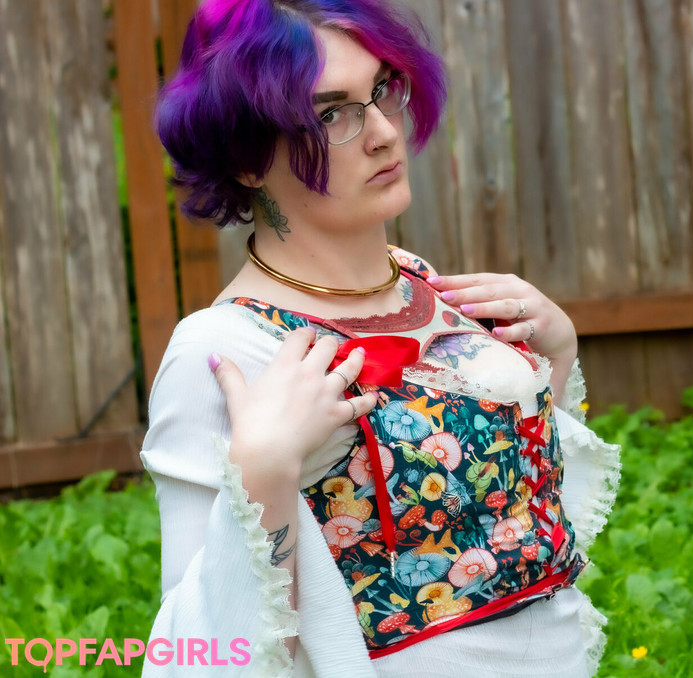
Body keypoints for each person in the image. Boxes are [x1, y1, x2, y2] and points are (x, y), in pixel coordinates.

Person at [139, 0, 621, 676]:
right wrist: (263, 472)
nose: (384, 133)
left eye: (382, 90)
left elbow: (520, 502)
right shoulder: (222, 352)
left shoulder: (419, 280)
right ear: (246, 158)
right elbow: (201, 651)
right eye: (331, 115)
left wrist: (556, 354)